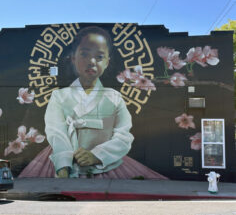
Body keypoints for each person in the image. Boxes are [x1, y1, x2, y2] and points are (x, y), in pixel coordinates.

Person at [19, 26, 167, 179]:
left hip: (106, 164)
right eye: (84, 54)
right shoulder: (59, 96)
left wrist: (96, 155)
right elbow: (56, 132)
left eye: (99, 56)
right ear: (73, 58)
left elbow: (124, 136)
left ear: (107, 62)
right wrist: (63, 165)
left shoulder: (114, 97)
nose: (91, 62)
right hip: (64, 165)